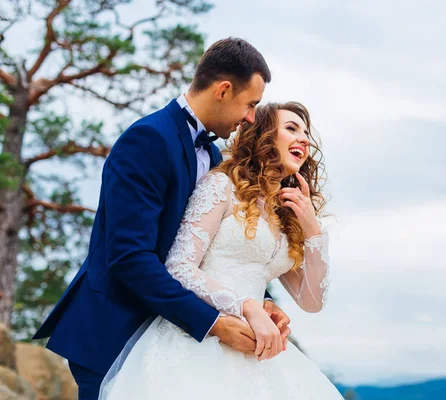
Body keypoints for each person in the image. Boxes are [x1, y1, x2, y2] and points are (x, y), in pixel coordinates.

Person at [33, 37, 291, 400]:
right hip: (116, 332)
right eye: (250, 104)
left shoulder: (215, 157)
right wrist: (215, 324)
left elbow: (211, 247)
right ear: (223, 89)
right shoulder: (148, 139)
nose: (250, 117)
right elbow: (129, 257)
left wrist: (256, 299)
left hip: (174, 341)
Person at [99, 101, 343, 399]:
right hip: (198, 341)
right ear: (262, 134)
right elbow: (179, 267)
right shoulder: (221, 185)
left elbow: (312, 301)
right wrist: (247, 305)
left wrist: (312, 230)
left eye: (306, 133)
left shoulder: (287, 217)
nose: (304, 139)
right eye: (291, 128)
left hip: (258, 351)